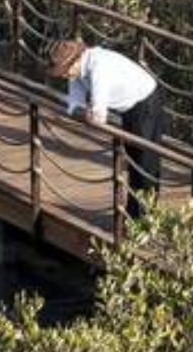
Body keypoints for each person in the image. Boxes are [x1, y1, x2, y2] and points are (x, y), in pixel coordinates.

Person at [46, 39, 163, 219]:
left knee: (144, 162)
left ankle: (147, 217)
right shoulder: (76, 72)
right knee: (132, 160)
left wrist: (87, 113)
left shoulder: (98, 68)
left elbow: (98, 116)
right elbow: (73, 105)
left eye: (65, 71)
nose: (64, 76)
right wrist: (84, 112)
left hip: (145, 101)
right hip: (128, 108)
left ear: (76, 60)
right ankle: (134, 216)